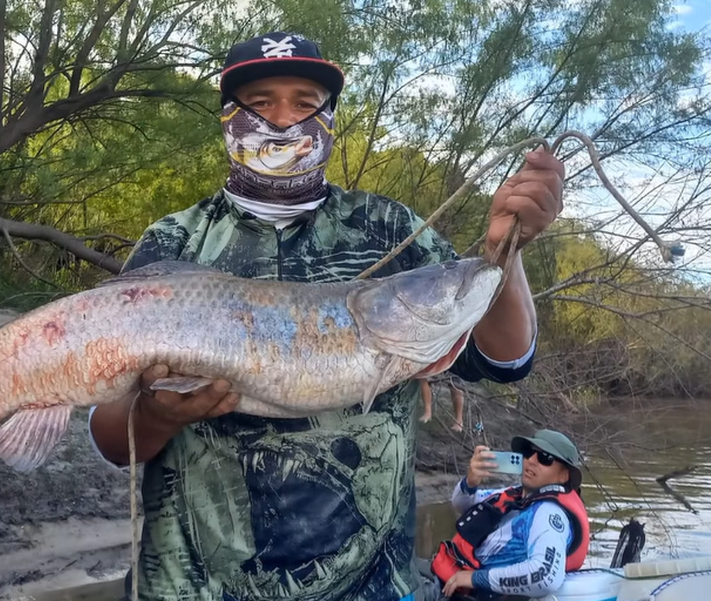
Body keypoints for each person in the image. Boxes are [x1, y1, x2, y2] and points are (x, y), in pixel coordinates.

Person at [87, 31, 564, 601]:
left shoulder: (392, 230)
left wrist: (504, 251)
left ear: (330, 119)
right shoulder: (173, 242)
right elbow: (114, 439)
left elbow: (504, 361)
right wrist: (161, 417)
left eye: (306, 101)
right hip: (190, 586)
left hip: (371, 586)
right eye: (259, 101)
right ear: (226, 118)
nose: (284, 120)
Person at [429, 430, 590, 600]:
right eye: (529, 453)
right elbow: (462, 504)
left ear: (564, 476)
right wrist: (471, 482)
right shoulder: (516, 495)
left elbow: (546, 575)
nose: (531, 460)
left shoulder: (549, 512)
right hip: (450, 579)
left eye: (545, 458)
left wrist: (474, 578)